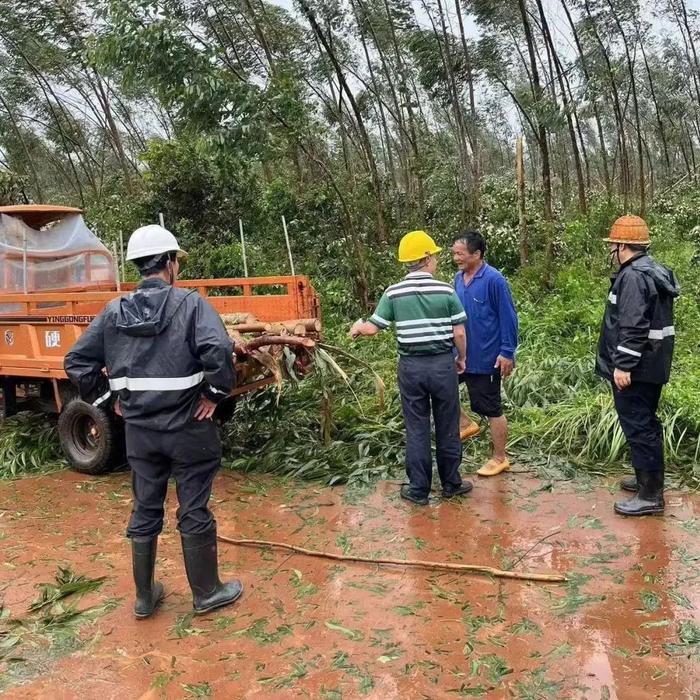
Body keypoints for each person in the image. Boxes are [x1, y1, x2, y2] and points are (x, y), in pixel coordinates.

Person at [64, 224, 243, 618]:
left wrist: (110, 400)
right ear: (170, 263)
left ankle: (145, 598)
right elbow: (218, 351)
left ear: (139, 268)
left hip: (141, 433)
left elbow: (76, 362)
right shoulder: (192, 306)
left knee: (146, 508)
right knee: (193, 506)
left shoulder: (113, 313)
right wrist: (213, 395)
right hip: (189, 429)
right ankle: (207, 592)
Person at [350, 230, 472, 505]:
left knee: (416, 428)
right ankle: (451, 483)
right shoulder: (445, 290)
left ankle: (418, 490)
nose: (437, 261)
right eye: (435, 256)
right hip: (442, 365)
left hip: (411, 368)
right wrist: (461, 358)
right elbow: (460, 333)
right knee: (447, 426)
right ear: (426, 258)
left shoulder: (393, 293)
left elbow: (372, 328)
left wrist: (357, 328)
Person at [596, 215, 679, 516]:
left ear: (621, 245)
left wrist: (623, 366)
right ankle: (647, 479)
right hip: (653, 365)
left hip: (637, 368)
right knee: (646, 423)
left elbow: (632, 326)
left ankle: (651, 495)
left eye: (613, 246)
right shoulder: (653, 270)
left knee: (639, 427)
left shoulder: (632, 276)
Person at [451, 230, 518, 477]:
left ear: (476, 254)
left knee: (491, 408)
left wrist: (507, 352)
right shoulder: (458, 279)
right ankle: (465, 423)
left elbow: (509, 317)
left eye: (460, 254)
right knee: (439, 387)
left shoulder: (494, 280)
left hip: (486, 356)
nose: (456, 258)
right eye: (454, 254)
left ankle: (500, 458)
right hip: (460, 355)